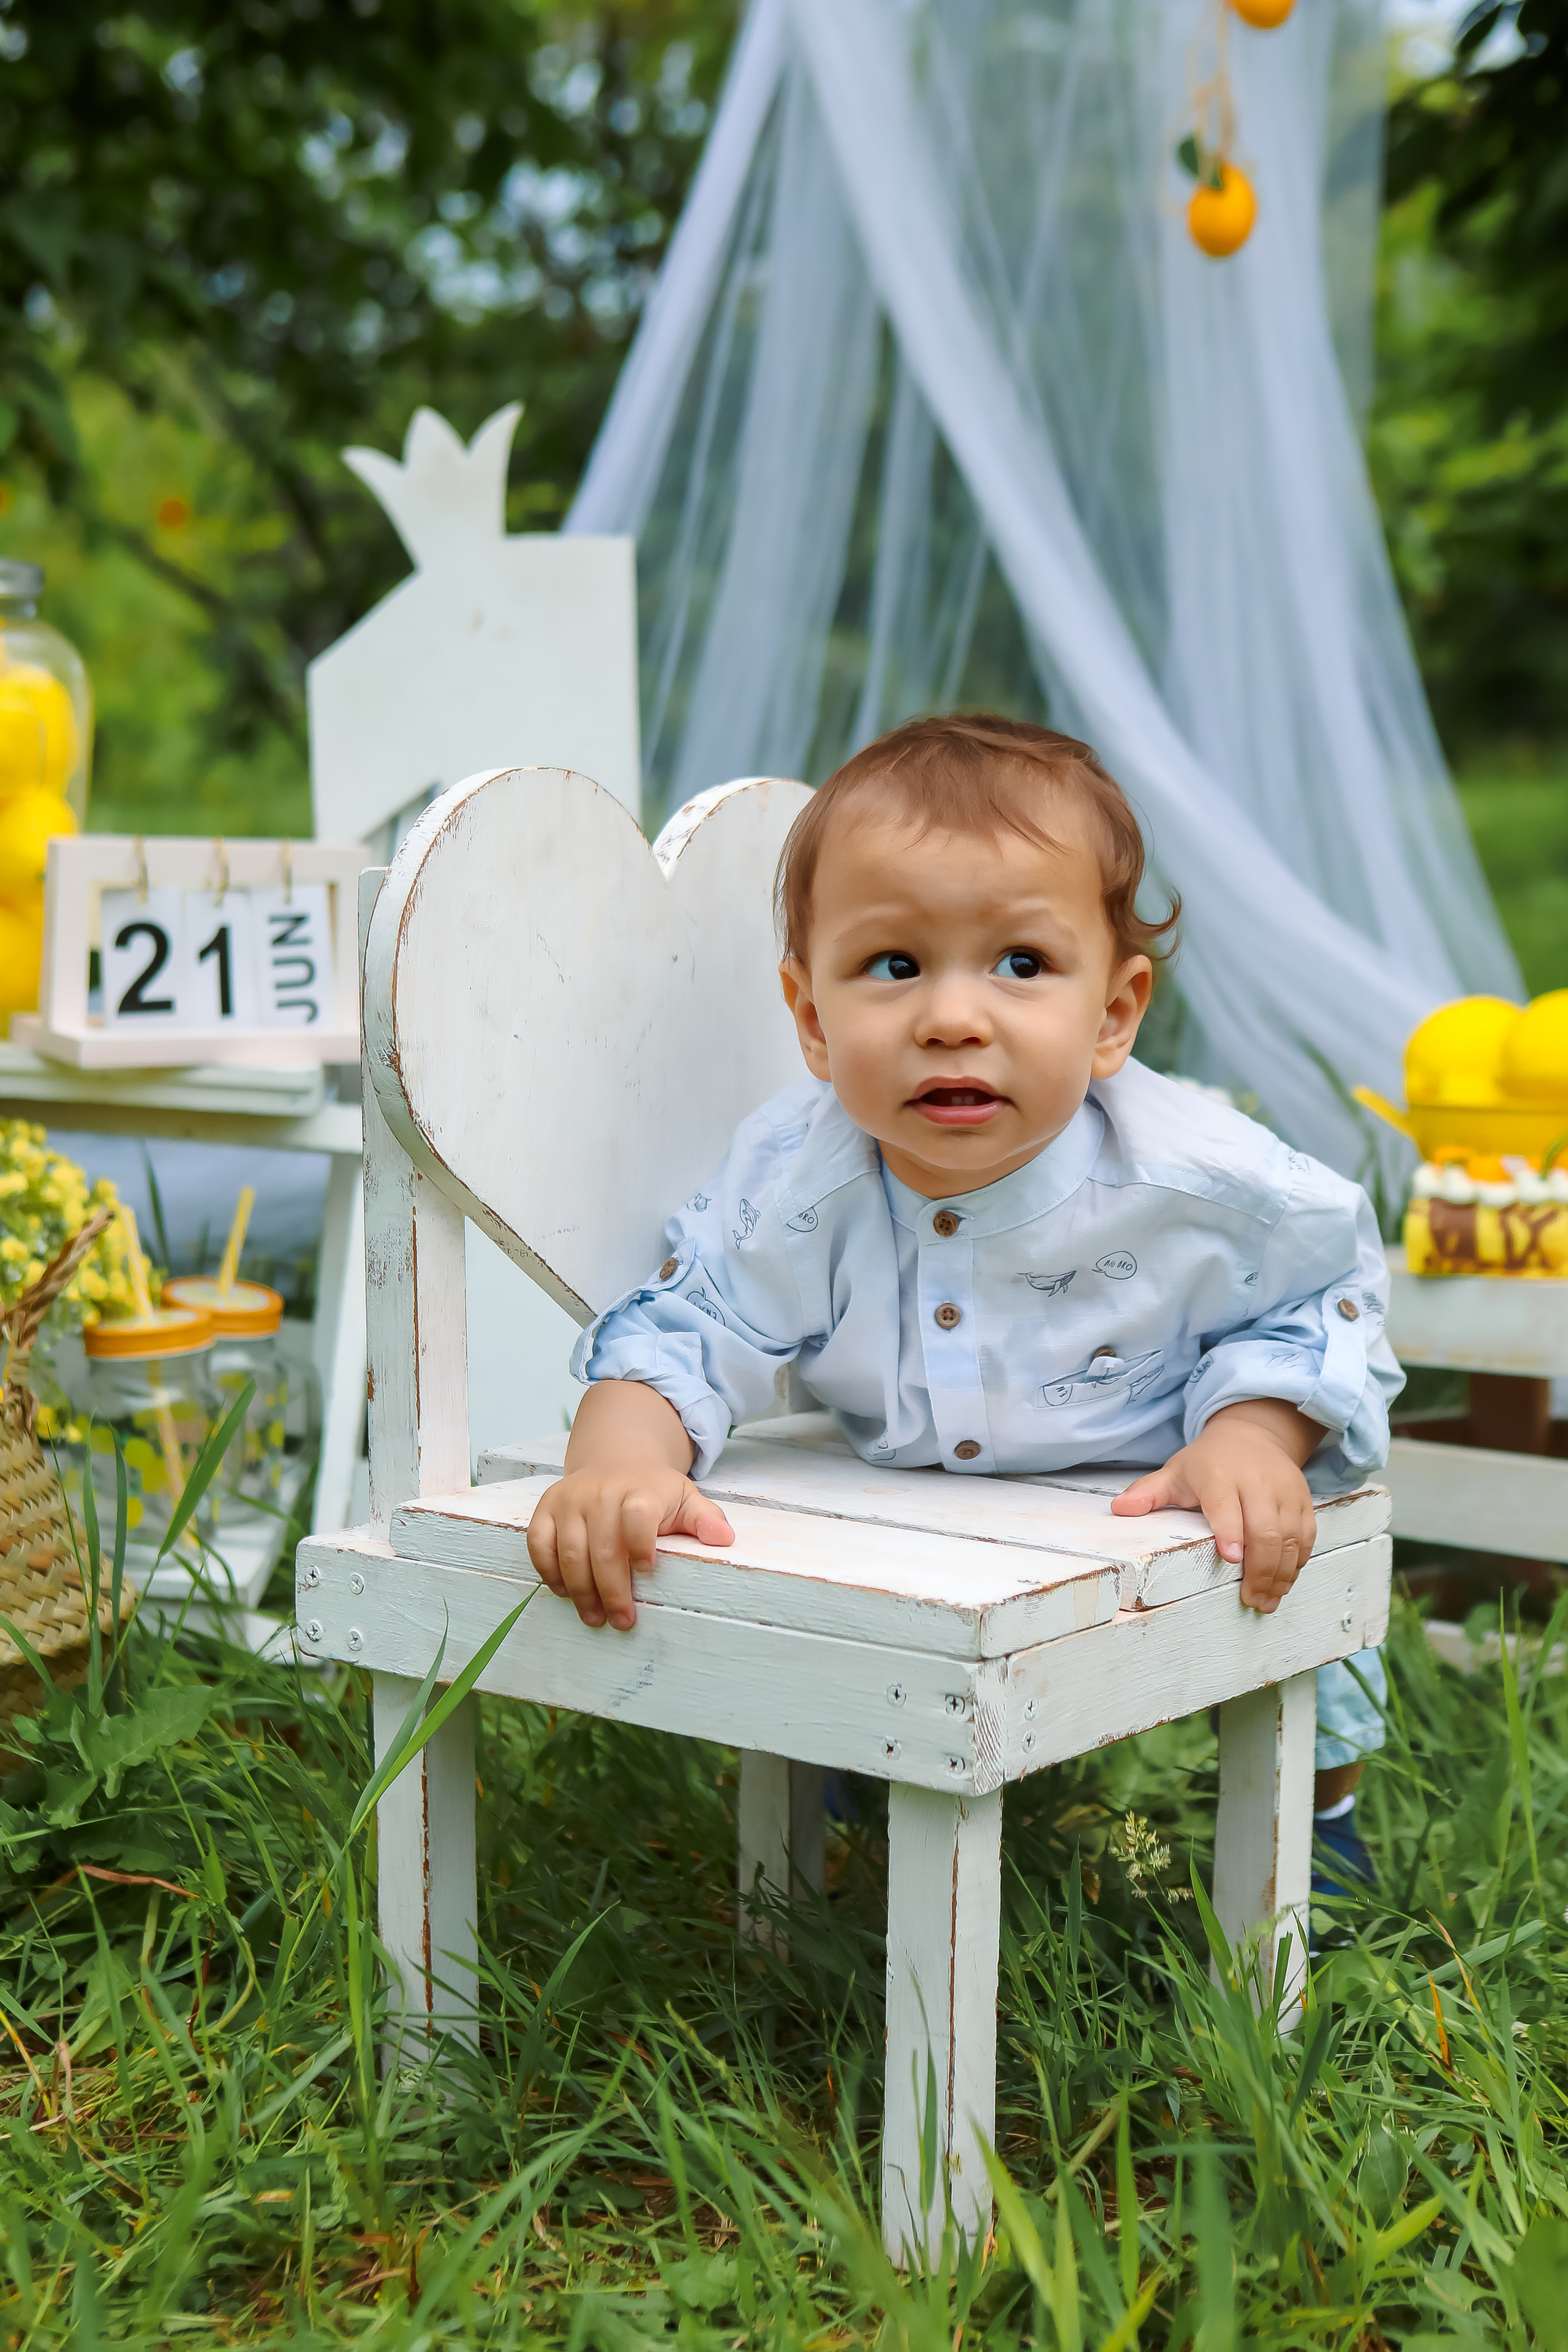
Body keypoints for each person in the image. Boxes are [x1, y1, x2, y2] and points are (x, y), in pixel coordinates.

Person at [527, 714, 1397, 1863]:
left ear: (1115, 1014)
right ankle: (855, 1758)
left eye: (1022, 966)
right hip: (906, 1495)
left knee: (1291, 1553)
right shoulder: (796, 1179)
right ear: (812, 1020)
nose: (950, 1018)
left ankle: (1317, 1815)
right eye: (893, 967)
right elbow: (694, 1322)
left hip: (1150, 1468)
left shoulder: (1202, 1182)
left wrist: (1250, 1433)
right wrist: (621, 1459)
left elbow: (1321, 1296)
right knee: (842, 1574)